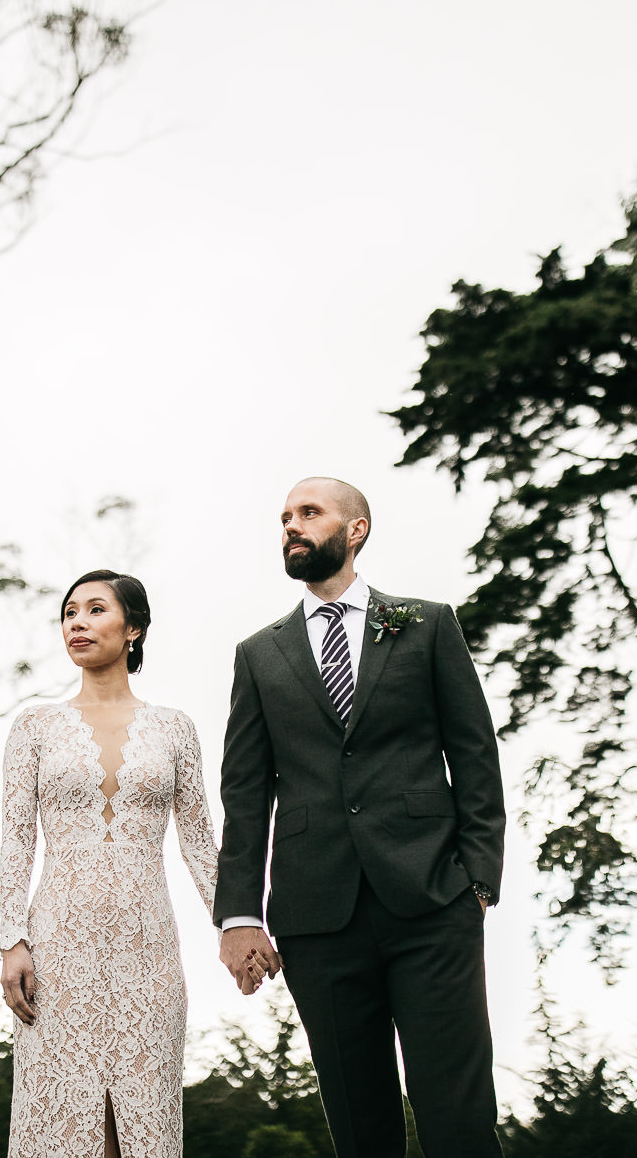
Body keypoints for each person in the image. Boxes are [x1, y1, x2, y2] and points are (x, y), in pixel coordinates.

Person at [213, 478, 508, 1158]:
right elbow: (246, 792)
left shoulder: (428, 624)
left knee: (458, 1116)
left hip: (433, 902)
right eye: (285, 516)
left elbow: (475, 756)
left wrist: (479, 881)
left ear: (355, 530)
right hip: (317, 918)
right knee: (359, 1125)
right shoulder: (259, 654)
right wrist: (238, 915)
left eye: (309, 513)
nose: (292, 525)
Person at [0, 570, 219, 1158]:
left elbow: (199, 841)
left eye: (96, 610)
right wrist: (11, 940)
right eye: (69, 612)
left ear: (134, 629)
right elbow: (16, 840)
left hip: (148, 947)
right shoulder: (34, 727)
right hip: (57, 947)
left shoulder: (175, 727)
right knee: (62, 1126)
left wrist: (239, 926)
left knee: (141, 1122)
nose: (77, 622)